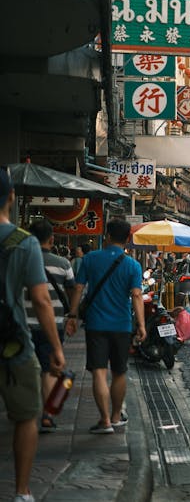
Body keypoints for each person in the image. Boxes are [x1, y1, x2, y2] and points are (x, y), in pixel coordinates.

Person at [0, 166, 65, 502]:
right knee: (26, 416)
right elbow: (41, 300)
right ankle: (22, 492)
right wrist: (56, 347)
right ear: (11, 197)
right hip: (14, 343)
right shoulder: (23, 243)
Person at [70, 218, 146, 434]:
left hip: (95, 324)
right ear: (128, 239)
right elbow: (137, 296)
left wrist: (72, 315)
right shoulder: (133, 265)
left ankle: (104, 420)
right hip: (121, 325)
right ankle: (115, 416)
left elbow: (78, 288)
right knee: (120, 372)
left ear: (108, 236)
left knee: (99, 372)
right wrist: (141, 325)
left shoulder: (91, 258)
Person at [27, 218, 78, 433]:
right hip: (52, 324)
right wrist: (72, 315)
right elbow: (73, 290)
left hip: (24, 324)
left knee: (27, 368)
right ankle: (47, 415)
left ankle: (25, 412)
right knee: (49, 369)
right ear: (52, 238)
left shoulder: (22, 259)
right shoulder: (63, 264)